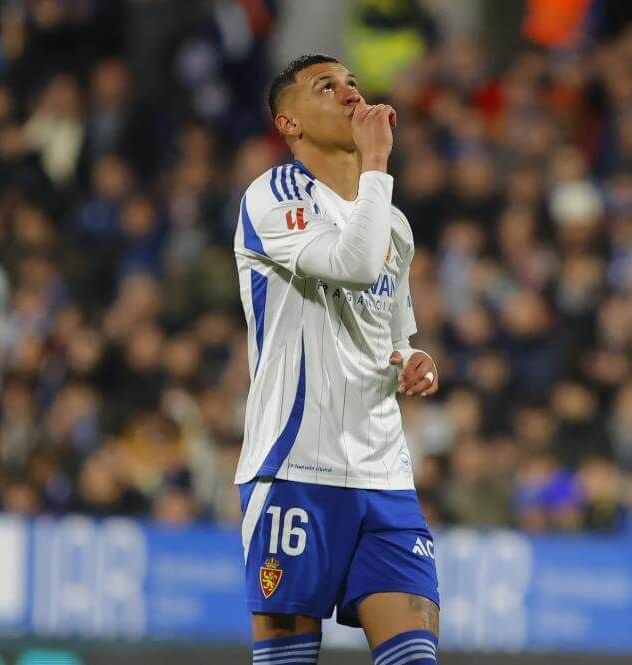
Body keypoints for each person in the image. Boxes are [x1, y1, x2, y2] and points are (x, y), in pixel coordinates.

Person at [233, 54, 441, 665]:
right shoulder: (274, 194)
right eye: (328, 87)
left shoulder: (392, 225)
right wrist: (376, 162)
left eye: (354, 82)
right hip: (297, 465)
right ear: (289, 123)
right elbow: (351, 266)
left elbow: (395, 330)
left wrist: (413, 357)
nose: (350, 93)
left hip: (385, 475)